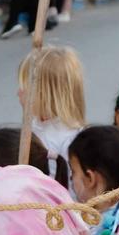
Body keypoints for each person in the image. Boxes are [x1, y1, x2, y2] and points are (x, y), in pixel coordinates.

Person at [17, 43, 86, 183]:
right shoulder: (35, 124)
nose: (18, 93)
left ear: (47, 93)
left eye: (25, 87)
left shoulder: (69, 138)